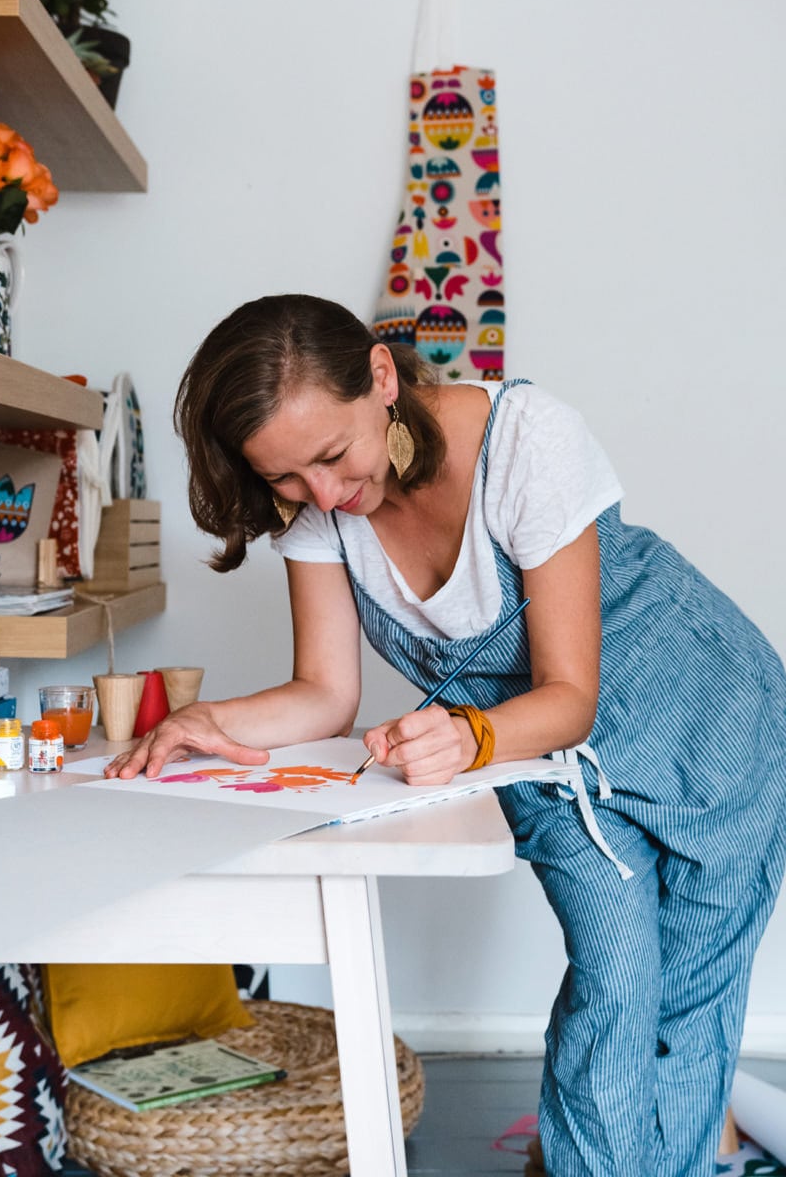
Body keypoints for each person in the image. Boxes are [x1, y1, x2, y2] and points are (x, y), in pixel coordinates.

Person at [106, 293, 786, 1177]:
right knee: (615, 992)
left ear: (381, 378)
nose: (322, 495)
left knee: (687, 1019)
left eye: (330, 456)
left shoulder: (527, 443)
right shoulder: (320, 509)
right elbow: (324, 694)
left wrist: (465, 736)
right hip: (546, 759)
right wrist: (207, 721)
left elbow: (570, 692)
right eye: (284, 479)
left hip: (710, 724)